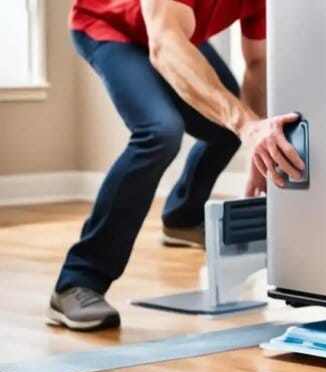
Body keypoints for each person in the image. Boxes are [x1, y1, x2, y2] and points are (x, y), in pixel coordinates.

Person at [49, 0, 304, 331]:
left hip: (174, 33)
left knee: (228, 125)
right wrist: (246, 125)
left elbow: (257, 63)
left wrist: (257, 141)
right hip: (109, 26)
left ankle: (182, 217)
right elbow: (164, 45)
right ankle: (76, 281)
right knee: (159, 132)